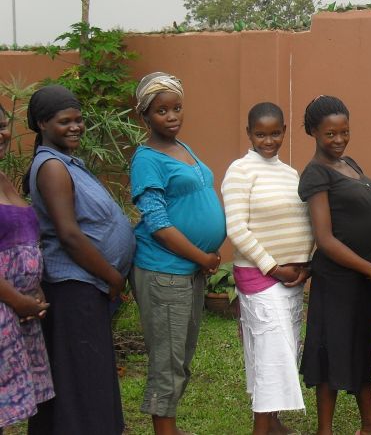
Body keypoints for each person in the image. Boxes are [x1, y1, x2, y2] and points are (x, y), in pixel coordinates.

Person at [23, 85, 134, 434]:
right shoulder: (52, 168)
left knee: (83, 375)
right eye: (64, 121)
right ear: (42, 124)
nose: (75, 127)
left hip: (86, 287)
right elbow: (70, 235)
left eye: (79, 119)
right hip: (75, 288)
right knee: (81, 378)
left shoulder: (68, 163)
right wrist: (113, 277)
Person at [298, 95, 371, 435]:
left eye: (345, 132)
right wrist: (367, 267)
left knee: (360, 345)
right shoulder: (316, 174)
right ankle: (324, 430)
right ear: (313, 131)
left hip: (362, 276)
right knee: (331, 349)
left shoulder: (350, 164)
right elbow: (325, 239)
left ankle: (370, 422)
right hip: (338, 278)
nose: (340, 140)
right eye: (331, 134)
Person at [129, 72, 227, 435]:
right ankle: (164, 429)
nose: (171, 117)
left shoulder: (182, 148)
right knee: (167, 358)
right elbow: (157, 221)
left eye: (176, 108)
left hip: (187, 271)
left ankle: (169, 424)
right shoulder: (147, 159)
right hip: (164, 269)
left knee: (181, 354)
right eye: (161, 111)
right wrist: (203, 258)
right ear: (145, 116)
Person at [222, 102, 313, 435]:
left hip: (291, 278)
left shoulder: (290, 174)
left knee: (281, 350)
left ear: (284, 131)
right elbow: (237, 228)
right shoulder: (240, 171)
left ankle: (273, 423)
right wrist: (274, 268)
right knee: (273, 357)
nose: (268, 140)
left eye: (275, 133)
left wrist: (304, 265)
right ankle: (261, 429)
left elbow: (303, 220)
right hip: (262, 277)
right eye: (260, 134)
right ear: (249, 133)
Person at [0, 102, 53, 432]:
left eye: (3, 125)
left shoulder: (4, 177)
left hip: (18, 311)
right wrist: (17, 299)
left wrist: (34, 293)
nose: (2, 134)